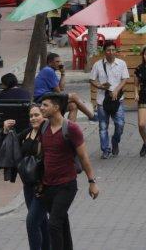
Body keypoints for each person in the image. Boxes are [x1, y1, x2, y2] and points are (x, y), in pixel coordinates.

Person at [38, 93, 99, 250]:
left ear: (56, 107)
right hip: (48, 185)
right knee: (61, 222)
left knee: (54, 224)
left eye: (45, 105)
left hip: (66, 185)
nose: (41, 108)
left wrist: (92, 182)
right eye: (41, 105)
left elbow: (84, 157)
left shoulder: (71, 129)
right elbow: (42, 155)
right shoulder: (43, 127)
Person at [0, 104, 49, 250]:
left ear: (44, 116)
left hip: (43, 186)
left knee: (32, 222)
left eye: (37, 115)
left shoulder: (48, 134)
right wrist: (5, 130)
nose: (33, 118)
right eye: (31, 116)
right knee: (42, 222)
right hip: (28, 185)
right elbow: (9, 145)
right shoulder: (28, 133)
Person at [89, 44, 129, 159]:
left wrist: (116, 90)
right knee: (103, 127)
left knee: (120, 124)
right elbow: (92, 79)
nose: (111, 52)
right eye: (108, 50)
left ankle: (115, 141)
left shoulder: (121, 63)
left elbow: (125, 79)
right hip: (102, 100)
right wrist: (100, 86)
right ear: (104, 52)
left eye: (113, 50)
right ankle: (105, 149)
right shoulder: (98, 64)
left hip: (118, 99)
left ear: (116, 51)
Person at [33, 52, 94, 120]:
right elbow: (58, 91)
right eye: (57, 62)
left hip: (48, 96)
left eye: (60, 61)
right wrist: (70, 98)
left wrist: (63, 73)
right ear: (50, 63)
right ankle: (91, 116)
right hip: (42, 98)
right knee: (74, 96)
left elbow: (61, 88)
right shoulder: (48, 71)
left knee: (73, 106)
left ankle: (69, 129)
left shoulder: (51, 71)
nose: (60, 64)